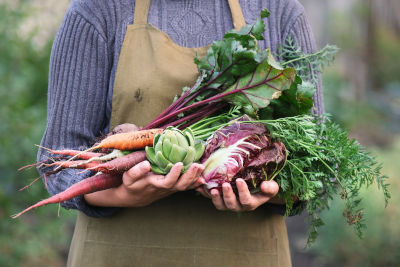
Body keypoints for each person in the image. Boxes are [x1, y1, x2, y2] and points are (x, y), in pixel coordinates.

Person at [38, 0, 323, 266]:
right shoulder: (99, 9)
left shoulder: (279, 10)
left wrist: (265, 190)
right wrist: (122, 195)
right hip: (120, 252)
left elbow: (318, 169)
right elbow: (58, 165)